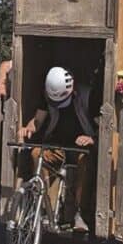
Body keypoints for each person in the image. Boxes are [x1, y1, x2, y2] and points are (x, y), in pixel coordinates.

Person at [19, 67, 96, 230]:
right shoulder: (48, 94)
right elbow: (38, 120)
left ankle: (80, 212)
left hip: (81, 147)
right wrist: (29, 127)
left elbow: (101, 124)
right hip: (57, 144)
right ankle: (47, 208)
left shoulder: (88, 96)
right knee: (36, 154)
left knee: (85, 162)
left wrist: (92, 138)